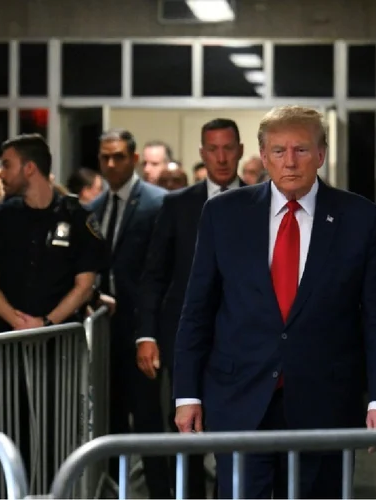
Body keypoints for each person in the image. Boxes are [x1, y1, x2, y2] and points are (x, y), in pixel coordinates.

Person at [172, 105, 376, 499]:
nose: (290, 161)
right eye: (278, 151)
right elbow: (198, 309)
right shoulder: (223, 214)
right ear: (263, 157)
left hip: (325, 401)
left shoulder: (361, 218)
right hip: (238, 398)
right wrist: (187, 394)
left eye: (301, 149)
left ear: (321, 154)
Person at [0, 133, 109, 487]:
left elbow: (85, 284)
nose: (1, 174)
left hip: (58, 346)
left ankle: (54, 491)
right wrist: (19, 322)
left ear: (30, 168)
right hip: (6, 345)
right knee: (4, 426)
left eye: (7, 165)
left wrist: (46, 324)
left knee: (57, 427)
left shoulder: (76, 216)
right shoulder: (1, 218)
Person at [138, 118, 247, 498]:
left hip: (242, 339)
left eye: (228, 148)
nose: (221, 157)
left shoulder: (262, 201)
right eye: (212, 149)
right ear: (202, 153)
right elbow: (154, 275)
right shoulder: (178, 205)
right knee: (185, 428)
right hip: (184, 337)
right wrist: (147, 334)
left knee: (237, 432)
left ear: (240, 150)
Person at [87, 128, 169, 498]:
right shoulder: (94, 208)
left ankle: (160, 492)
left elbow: (164, 271)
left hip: (145, 330)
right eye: (105, 157)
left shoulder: (158, 202)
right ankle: (115, 491)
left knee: (149, 417)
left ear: (133, 158)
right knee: (110, 417)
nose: (111, 163)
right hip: (107, 331)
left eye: (118, 156)